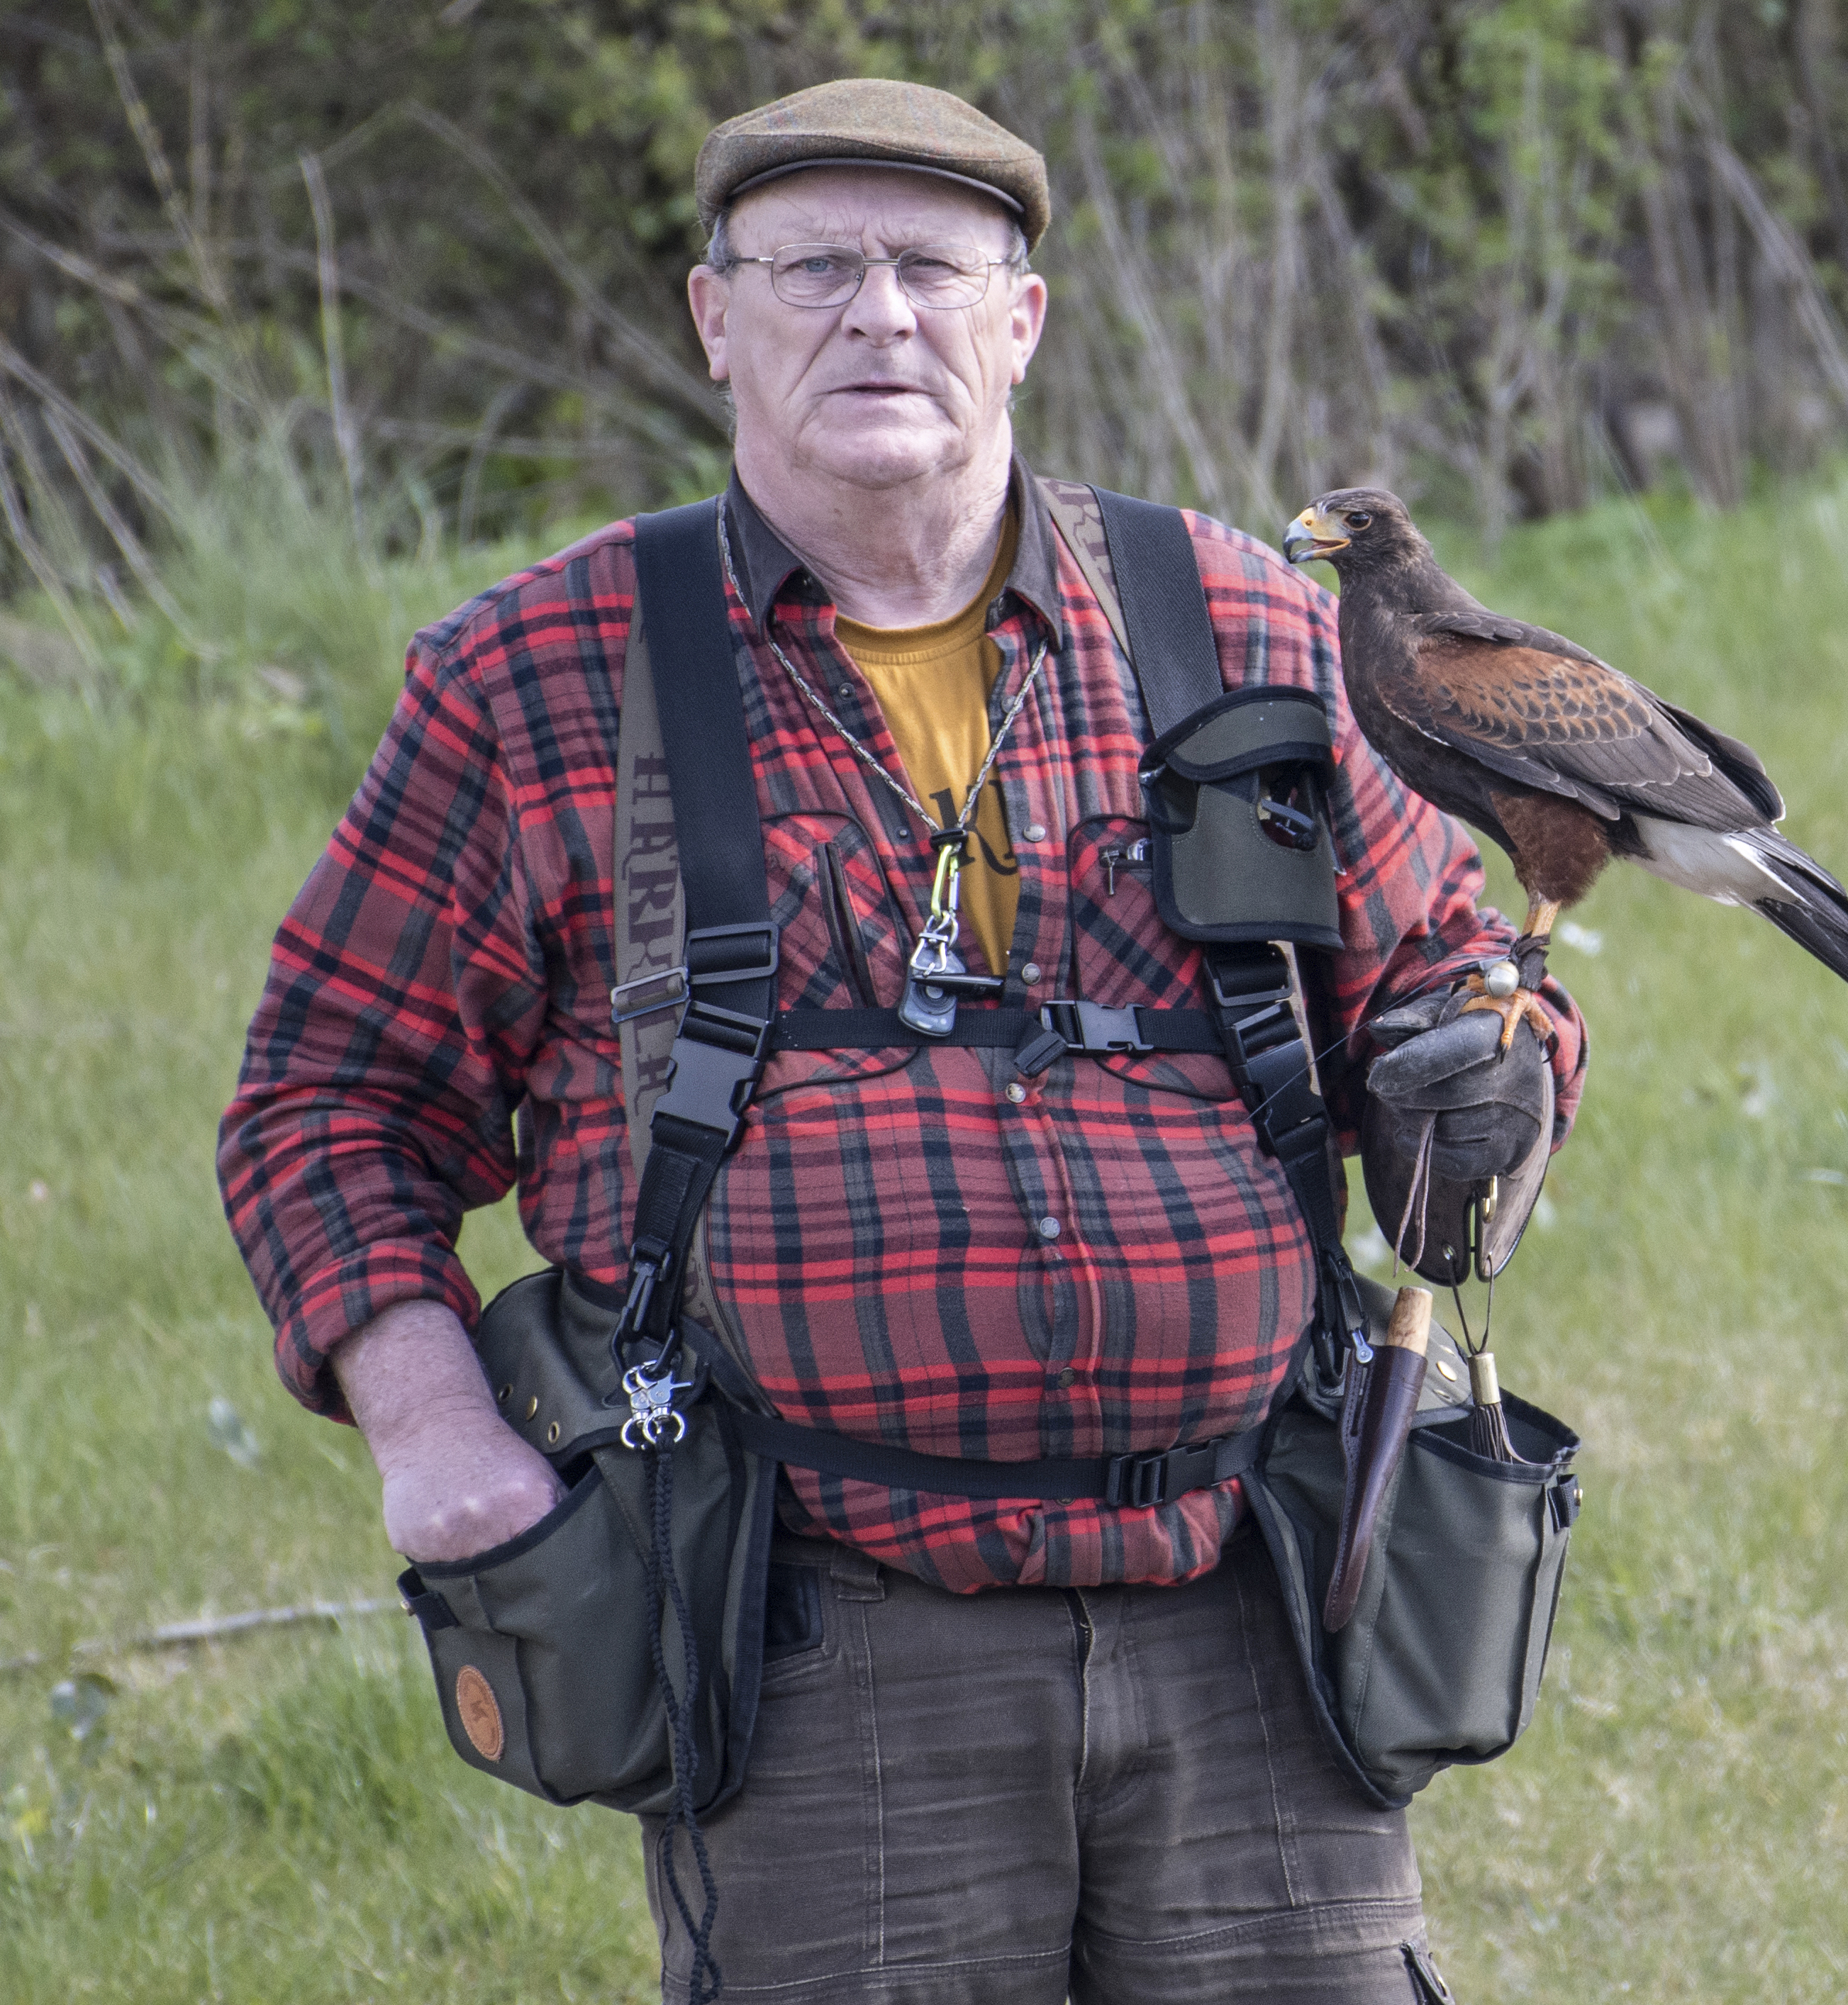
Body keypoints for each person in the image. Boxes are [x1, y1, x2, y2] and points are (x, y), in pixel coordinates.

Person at [218, 78, 1583, 2004]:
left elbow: (1452, 985)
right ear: (715, 321)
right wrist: (432, 1428)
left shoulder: (1246, 628)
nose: (880, 315)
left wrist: (1483, 1076)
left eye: (933, 268)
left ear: (1020, 318)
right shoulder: (537, 674)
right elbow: (325, 1102)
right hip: (811, 1632)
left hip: (1254, 1601)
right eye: (814, 269)